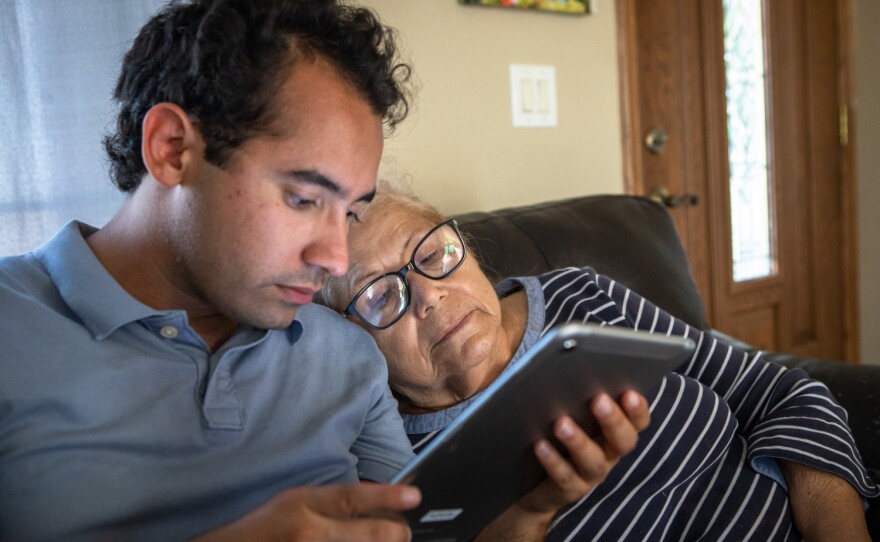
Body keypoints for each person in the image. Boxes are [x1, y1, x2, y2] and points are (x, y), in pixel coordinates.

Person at [0, 1, 651, 540]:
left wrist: (527, 513)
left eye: (348, 210)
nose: (336, 259)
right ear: (172, 150)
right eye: (304, 199)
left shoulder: (346, 354)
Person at [321, 181, 880, 541]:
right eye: (378, 295)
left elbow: (778, 391)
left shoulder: (577, 297)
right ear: (347, 341)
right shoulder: (394, 465)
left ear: (463, 246)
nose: (429, 295)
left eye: (433, 252)